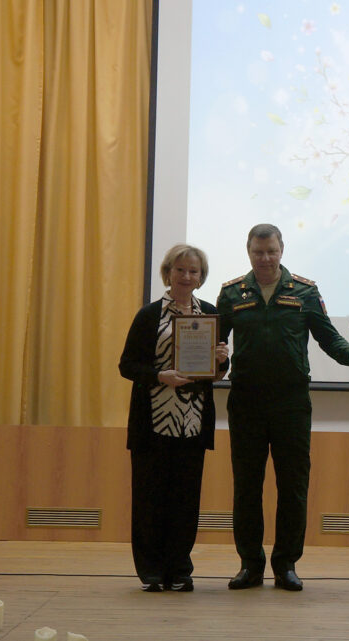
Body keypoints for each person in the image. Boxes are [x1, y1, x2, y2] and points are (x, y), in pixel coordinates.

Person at [217, 224, 349, 592]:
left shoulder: (304, 290)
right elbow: (213, 344)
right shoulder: (230, 293)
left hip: (291, 404)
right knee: (247, 488)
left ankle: (285, 564)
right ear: (248, 251)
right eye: (258, 252)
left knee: (293, 487)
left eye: (271, 251)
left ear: (281, 250)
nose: (265, 258)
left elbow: (327, 337)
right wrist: (213, 363)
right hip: (246, 402)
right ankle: (250, 565)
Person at [118, 244, 229, 592]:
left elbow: (216, 374)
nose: (186, 276)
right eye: (180, 270)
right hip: (154, 421)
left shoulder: (210, 314)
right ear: (168, 273)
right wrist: (158, 376)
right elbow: (127, 366)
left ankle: (179, 569)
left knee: (185, 500)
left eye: (193, 271)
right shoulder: (149, 315)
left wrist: (222, 359)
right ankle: (151, 571)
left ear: (201, 277)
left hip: (192, 423)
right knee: (150, 498)